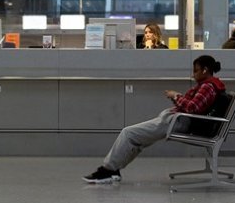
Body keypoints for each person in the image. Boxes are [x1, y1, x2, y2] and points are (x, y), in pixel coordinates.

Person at [83, 55, 225, 184]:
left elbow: (193, 108)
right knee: (136, 139)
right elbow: (193, 106)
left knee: (129, 133)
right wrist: (177, 97)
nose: (193, 74)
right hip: (178, 120)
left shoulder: (207, 87)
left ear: (205, 70)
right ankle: (112, 169)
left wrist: (176, 96)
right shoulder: (210, 85)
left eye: (196, 71)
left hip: (178, 121)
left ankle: (108, 170)